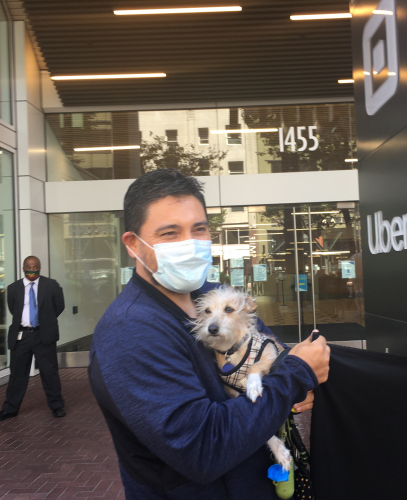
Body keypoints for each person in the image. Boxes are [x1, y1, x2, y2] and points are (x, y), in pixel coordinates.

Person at [89, 169, 330, 500]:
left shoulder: (214, 295)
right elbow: (203, 448)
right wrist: (295, 377)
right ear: (133, 244)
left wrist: (293, 381)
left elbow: (267, 352)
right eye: (170, 233)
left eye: (199, 229)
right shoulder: (130, 331)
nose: (189, 244)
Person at [0, 256, 67, 421]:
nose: (32, 270)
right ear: (23, 268)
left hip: (43, 334)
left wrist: (46, 320)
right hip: (21, 335)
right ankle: (10, 409)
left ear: (40, 267)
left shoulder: (51, 285)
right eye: (29, 267)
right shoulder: (13, 288)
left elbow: (59, 306)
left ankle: (57, 406)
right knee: (17, 374)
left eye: (35, 267)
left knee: (49, 372)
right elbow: (13, 309)